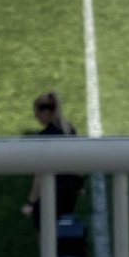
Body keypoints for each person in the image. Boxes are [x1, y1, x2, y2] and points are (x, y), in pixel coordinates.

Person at [21, 92, 84, 230]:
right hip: (70, 190)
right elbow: (77, 160)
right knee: (64, 227)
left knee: (45, 229)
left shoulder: (45, 136)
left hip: (53, 191)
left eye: (36, 112)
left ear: (46, 112)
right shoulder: (69, 129)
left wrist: (31, 202)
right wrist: (79, 186)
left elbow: (40, 174)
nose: (35, 116)